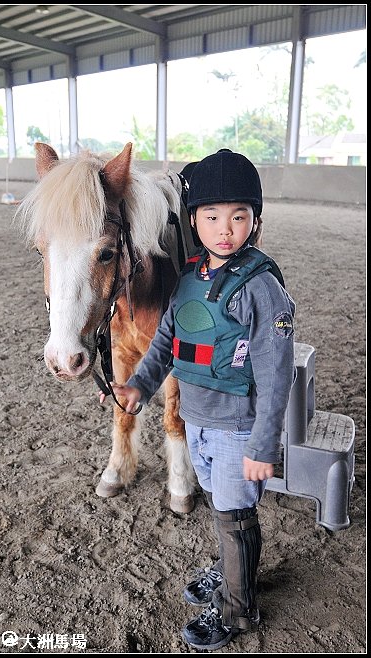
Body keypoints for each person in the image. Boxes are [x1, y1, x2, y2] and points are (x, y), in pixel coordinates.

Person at [98, 149, 296, 651]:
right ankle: (229, 570)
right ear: (193, 221)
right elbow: (166, 341)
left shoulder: (262, 287)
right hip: (200, 423)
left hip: (237, 430)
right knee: (222, 508)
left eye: (238, 216)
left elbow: (275, 374)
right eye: (211, 217)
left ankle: (237, 608)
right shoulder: (190, 276)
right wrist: (139, 385)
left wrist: (263, 444)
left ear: (256, 220)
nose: (224, 229)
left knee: (235, 516)